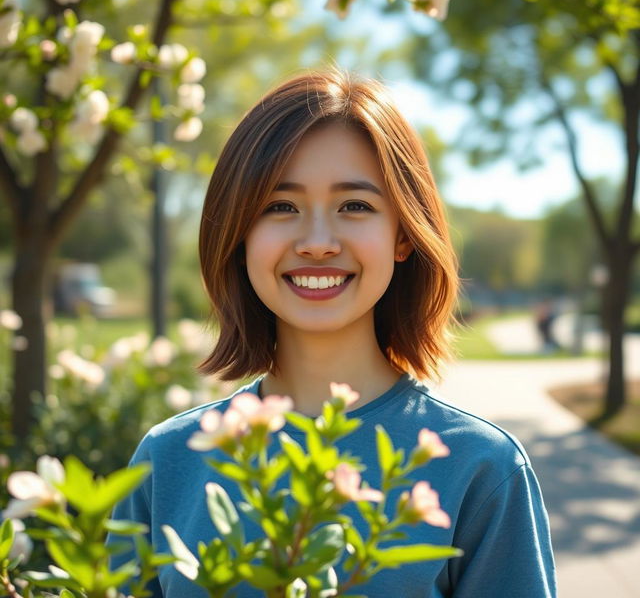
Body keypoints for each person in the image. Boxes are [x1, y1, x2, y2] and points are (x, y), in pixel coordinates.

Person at [110, 70, 556, 597]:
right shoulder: (169, 460)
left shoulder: (482, 468)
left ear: (403, 236)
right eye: (280, 206)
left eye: (355, 206)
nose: (318, 242)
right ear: (239, 235)